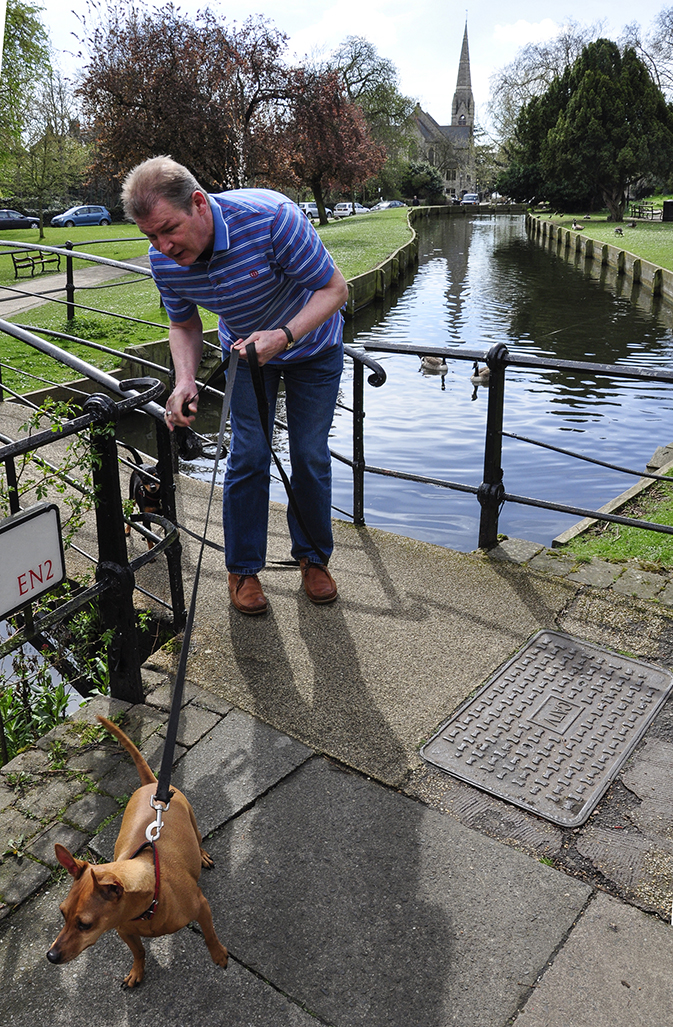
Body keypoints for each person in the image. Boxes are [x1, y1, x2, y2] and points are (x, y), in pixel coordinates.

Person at [121, 156, 349, 615]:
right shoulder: (163, 260)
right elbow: (183, 323)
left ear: (200, 204)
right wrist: (185, 378)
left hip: (312, 347)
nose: (162, 246)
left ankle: (312, 558)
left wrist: (284, 335)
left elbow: (335, 290)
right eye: (151, 236)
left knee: (308, 453)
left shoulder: (273, 221)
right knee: (248, 454)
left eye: (169, 229)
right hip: (245, 355)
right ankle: (243, 569)